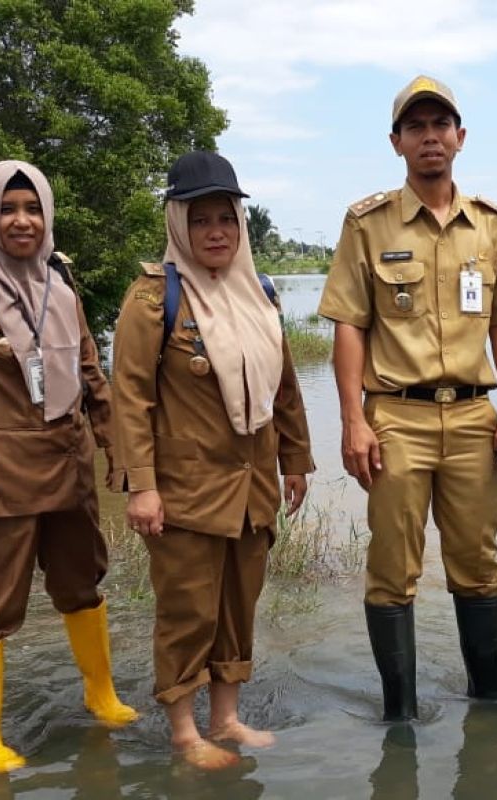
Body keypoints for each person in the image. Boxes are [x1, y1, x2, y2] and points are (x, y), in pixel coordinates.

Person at [318, 75, 497, 721]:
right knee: (392, 570)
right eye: (416, 127)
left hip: (474, 417)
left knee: (478, 565)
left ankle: (489, 702)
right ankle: (400, 714)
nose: (430, 136)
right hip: (397, 420)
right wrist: (353, 421)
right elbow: (350, 326)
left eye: (441, 124)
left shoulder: (490, 228)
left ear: (460, 137)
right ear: (397, 142)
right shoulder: (367, 223)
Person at [0, 160, 137, 773]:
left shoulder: (59, 281)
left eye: (33, 208)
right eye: (8, 209)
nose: (22, 221)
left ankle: (102, 695)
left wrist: (117, 446)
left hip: (68, 471)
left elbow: (91, 370)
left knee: (81, 584)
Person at [110, 151, 314, 769]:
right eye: (201, 220)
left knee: (236, 606)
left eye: (226, 217)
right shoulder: (154, 299)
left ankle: (224, 718)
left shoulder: (262, 294)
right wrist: (141, 487)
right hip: (185, 494)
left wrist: (296, 461)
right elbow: (130, 399)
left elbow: (284, 389)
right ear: (178, 225)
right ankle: (182, 732)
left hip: (252, 489)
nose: (216, 231)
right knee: (186, 612)